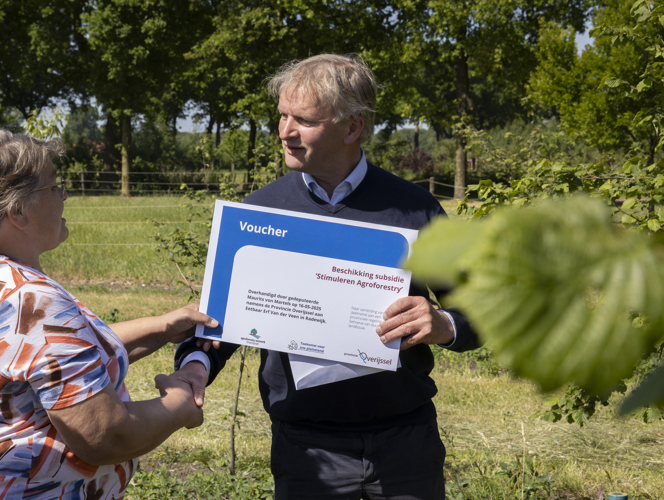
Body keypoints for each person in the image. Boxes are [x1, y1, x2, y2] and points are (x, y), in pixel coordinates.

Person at [173, 54, 481, 500]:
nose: (285, 132)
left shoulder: (414, 209)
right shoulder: (260, 212)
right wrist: (196, 367)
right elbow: (217, 320)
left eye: (304, 120)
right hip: (306, 450)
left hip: (405, 445)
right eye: (282, 116)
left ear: (352, 127)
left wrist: (444, 324)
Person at [0, 128, 217, 499]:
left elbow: (55, 360)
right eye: (54, 187)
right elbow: (105, 435)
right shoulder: (30, 300)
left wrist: (162, 328)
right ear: (17, 209)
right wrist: (179, 406)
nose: (65, 195)